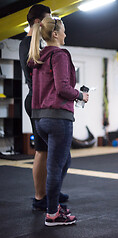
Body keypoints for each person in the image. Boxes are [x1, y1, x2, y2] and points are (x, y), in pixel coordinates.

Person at [28, 16, 89, 226]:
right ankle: (52, 213)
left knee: (64, 161)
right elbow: (63, 88)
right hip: (57, 118)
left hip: (40, 120)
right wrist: (80, 96)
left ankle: (52, 203)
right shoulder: (60, 54)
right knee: (55, 167)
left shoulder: (38, 56)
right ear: (55, 34)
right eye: (63, 31)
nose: (65, 34)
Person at [19, 4, 69, 211]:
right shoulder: (31, 44)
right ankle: (42, 197)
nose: (51, 24)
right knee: (43, 151)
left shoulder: (34, 44)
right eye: (48, 20)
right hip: (40, 103)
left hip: (41, 102)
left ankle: (50, 191)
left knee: (56, 154)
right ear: (40, 22)